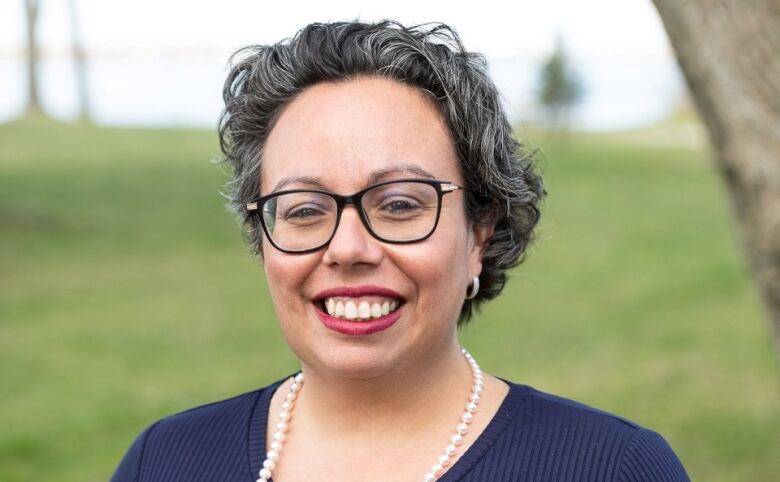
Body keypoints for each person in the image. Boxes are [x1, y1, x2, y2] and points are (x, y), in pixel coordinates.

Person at [110, 20, 689, 482]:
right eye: (305, 210)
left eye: (400, 204)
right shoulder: (162, 462)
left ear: (479, 232)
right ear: (263, 239)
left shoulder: (612, 469)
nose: (348, 248)